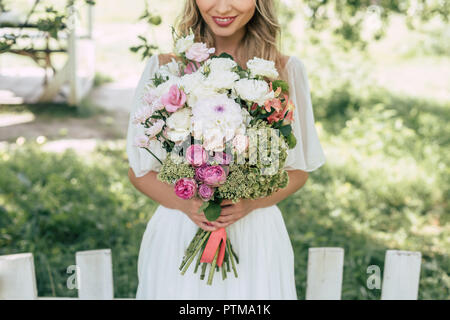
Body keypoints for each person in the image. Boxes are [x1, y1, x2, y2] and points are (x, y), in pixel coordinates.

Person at [126, 0, 326, 299]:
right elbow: (139, 171)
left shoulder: (286, 71)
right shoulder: (167, 69)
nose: (222, 7)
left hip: (254, 234)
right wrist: (186, 205)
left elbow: (298, 171)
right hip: (180, 228)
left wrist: (250, 203)